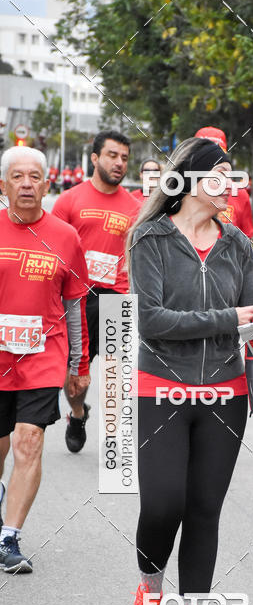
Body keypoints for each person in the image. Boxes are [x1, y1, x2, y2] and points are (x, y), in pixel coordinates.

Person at [124, 136, 253, 605]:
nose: (229, 186)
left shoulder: (236, 242)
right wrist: (230, 320)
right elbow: (152, 321)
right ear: (190, 181)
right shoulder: (149, 238)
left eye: (232, 176)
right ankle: (149, 591)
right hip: (161, 389)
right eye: (220, 176)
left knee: (204, 510)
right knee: (162, 503)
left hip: (225, 393)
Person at [0, 146, 90, 572]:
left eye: (34, 177)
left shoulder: (65, 237)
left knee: (29, 440)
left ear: (47, 184)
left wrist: (79, 365)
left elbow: (74, 306)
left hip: (43, 355)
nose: (26, 184)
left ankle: (9, 537)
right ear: (3, 185)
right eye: (17, 177)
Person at [52, 130, 138, 452]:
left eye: (124, 158)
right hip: (76, 298)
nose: (119, 163)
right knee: (74, 373)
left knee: (117, 374)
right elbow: (52, 249)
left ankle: (114, 438)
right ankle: (77, 413)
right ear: (95, 158)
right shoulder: (69, 200)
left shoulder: (135, 208)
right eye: (112, 155)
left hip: (117, 297)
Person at [194, 127, 253, 238]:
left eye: (216, 155)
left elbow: (246, 238)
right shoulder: (184, 193)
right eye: (204, 156)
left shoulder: (239, 194)